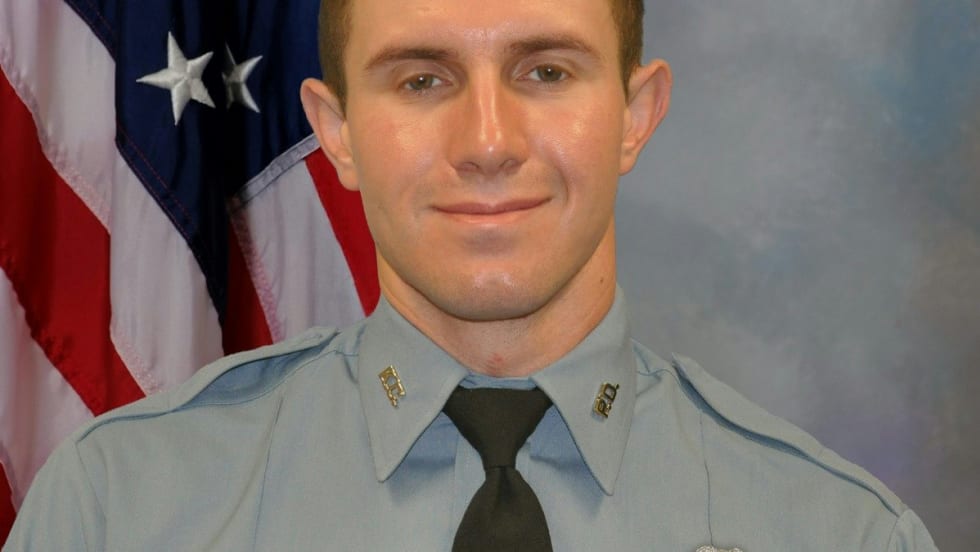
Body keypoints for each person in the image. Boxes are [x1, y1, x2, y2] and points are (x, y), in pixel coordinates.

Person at [6, 0, 939, 549]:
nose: (487, 143)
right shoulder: (122, 510)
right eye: (422, 79)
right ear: (335, 132)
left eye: (545, 72)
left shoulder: (836, 532)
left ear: (635, 113)